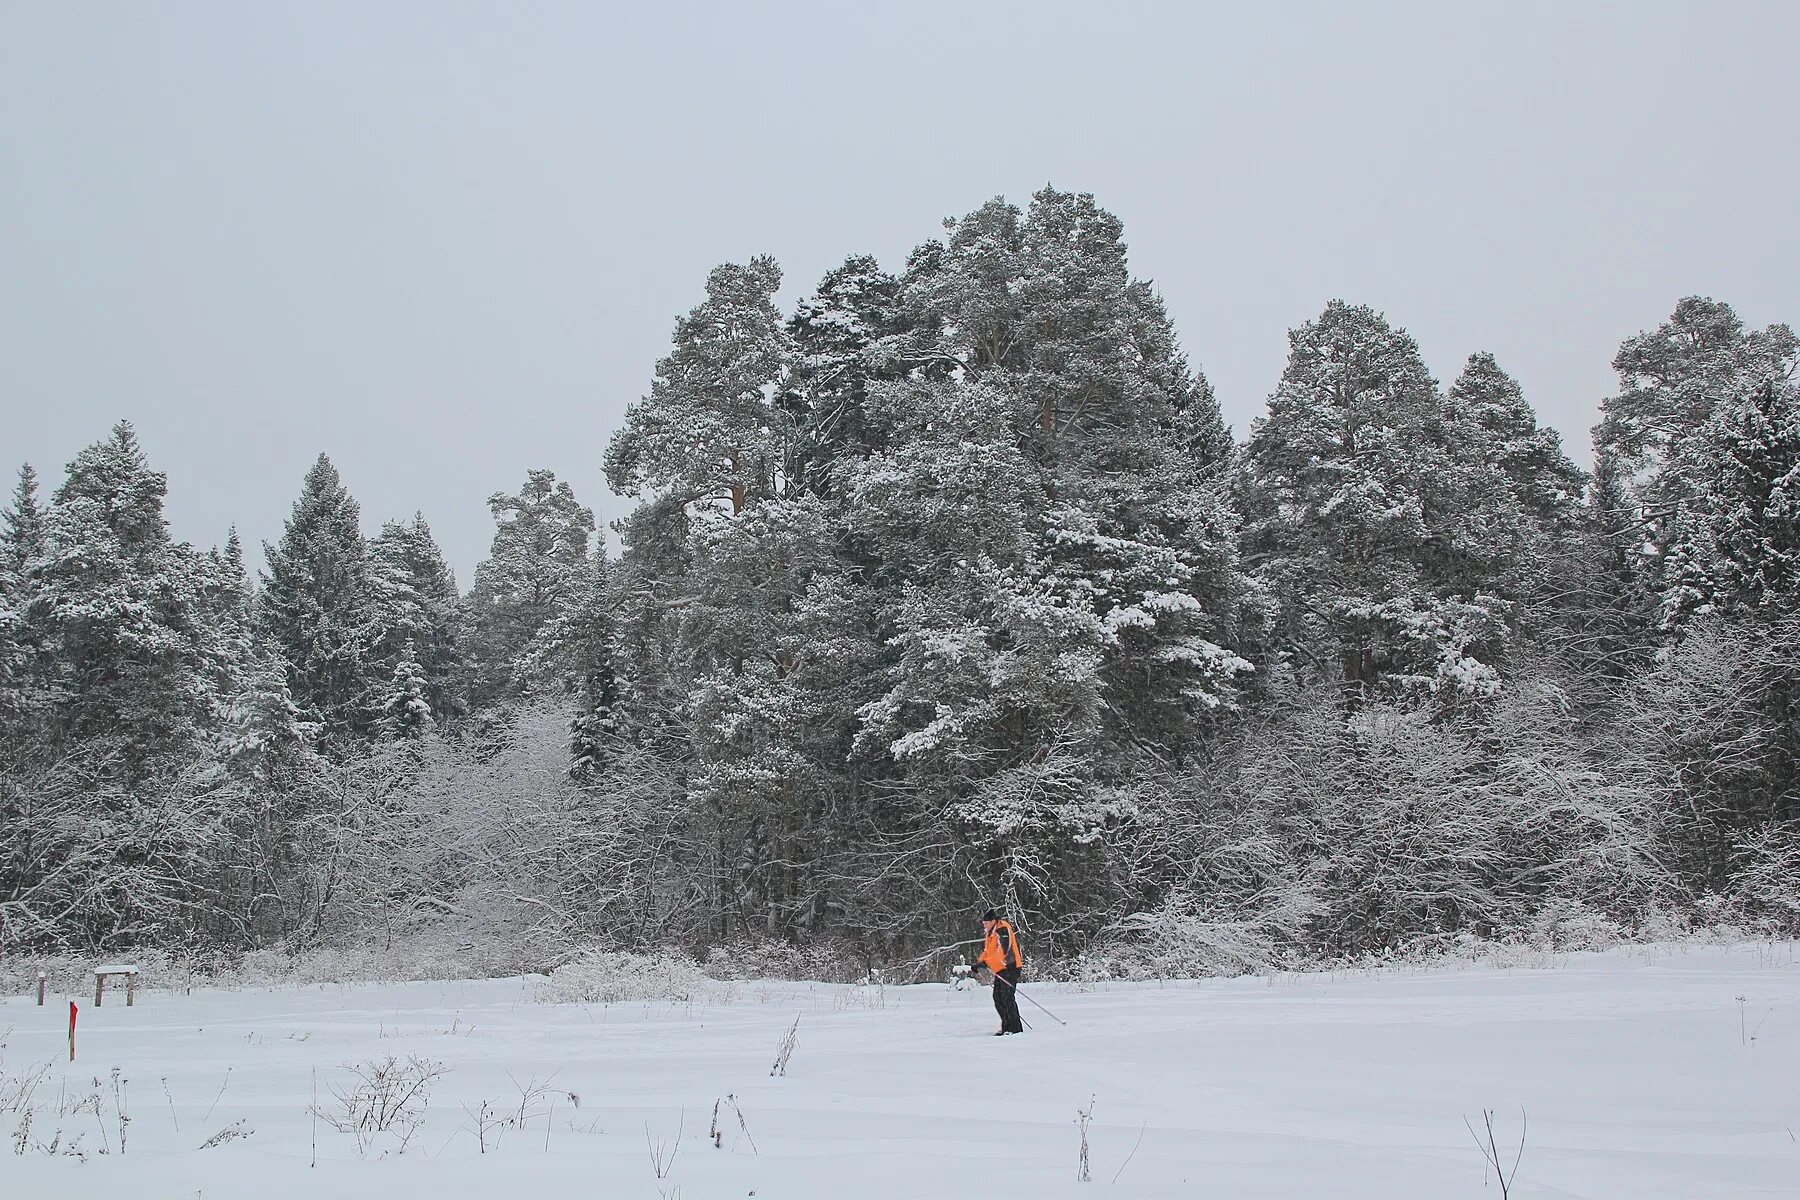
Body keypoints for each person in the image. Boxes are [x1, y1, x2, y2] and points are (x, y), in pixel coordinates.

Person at [975, 908, 1026, 1034]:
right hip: (1000, 969)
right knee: (998, 997)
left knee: (1007, 997)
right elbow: (988, 951)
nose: (984, 926)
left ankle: (1015, 1029)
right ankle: (1007, 1027)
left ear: (993, 921)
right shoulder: (991, 932)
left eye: (986, 923)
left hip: (1010, 967)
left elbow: (1004, 951)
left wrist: (987, 963)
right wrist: (979, 963)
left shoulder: (1002, 929)